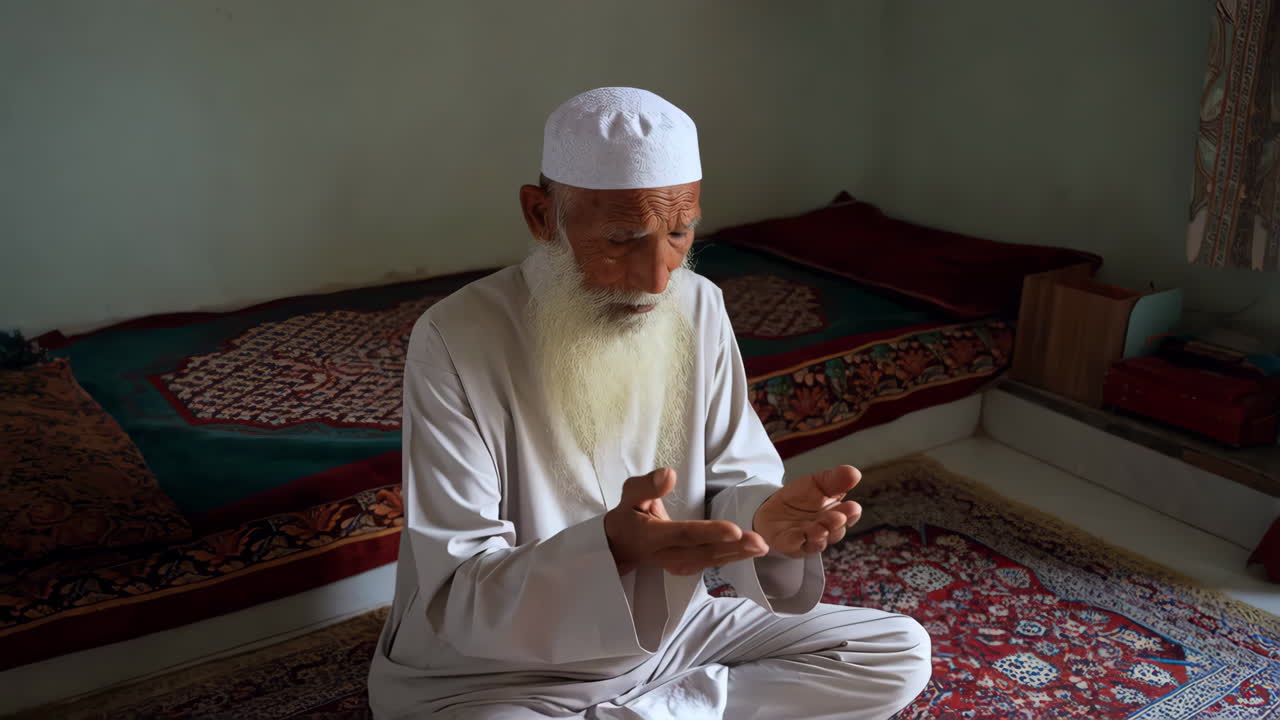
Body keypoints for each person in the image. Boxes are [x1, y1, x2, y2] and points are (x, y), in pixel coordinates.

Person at [368, 87, 931, 719]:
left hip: (672, 634)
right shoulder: (454, 336)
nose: (657, 277)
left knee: (896, 650)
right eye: (622, 239)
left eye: (678, 233)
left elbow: (733, 476)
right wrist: (614, 548)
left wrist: (766, 518)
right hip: (495, 672)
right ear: (540, 216)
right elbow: (458, 582)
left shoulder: (698, 306)